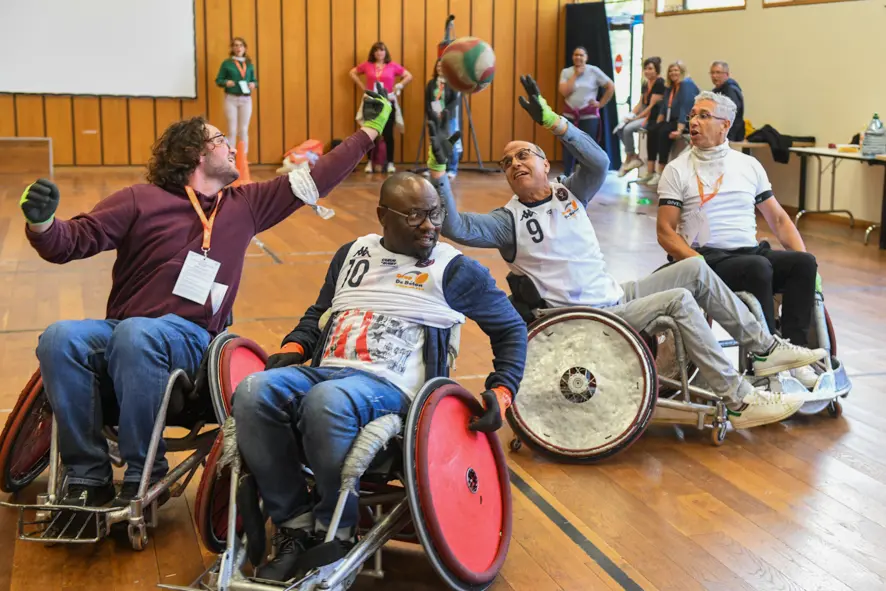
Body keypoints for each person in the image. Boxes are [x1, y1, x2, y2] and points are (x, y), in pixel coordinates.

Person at [18, 89, 393, 515]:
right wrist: (42, 221)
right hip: (126, 331)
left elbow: (318, 177)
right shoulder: (139, 200)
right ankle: (88, 476)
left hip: (193, 340)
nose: (230, 146)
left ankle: (145, 474)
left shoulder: (246, 205)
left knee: (137, 334)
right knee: (60, 337)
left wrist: (367, 132)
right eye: (219, 140)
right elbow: (71, 241)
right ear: (195, 152)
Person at [426, 74, 827, 430]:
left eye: (523, 154)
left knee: (697, 270)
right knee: (680, 300)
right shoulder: (506, 221)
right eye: (506, 162)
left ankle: (765, 351)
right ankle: (739, 398)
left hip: (616, 296)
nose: (514, 163)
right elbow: (455, 226)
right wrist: (439, 173)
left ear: (546, 163)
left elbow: (599, 161)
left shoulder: (572, 192)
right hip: (584, 316)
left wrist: (553, 121)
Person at [232, 172, 527, 582]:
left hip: (394, 390)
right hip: (328, 370)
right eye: (415, 216)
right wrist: (296, 347)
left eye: (435, 213)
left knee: (326, 403)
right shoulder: (352, 253)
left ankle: (337, 531)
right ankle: (294, 526)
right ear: (382, 216)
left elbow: (511, 329)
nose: (430, 226)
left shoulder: (456, 270)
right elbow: (319, 314)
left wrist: (503, 389)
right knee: (252, 391)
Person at [656, 92, 825, 392]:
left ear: (725, 125)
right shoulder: (677, 169)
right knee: (758, 267)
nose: (694, 121)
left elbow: (780, 221)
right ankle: (765, 359)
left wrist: (812, 272)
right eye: (692, 115)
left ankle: (794, 358)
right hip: (705, 257)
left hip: (748, 252)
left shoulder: (748, 165)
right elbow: (665, 232)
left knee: (803, 264)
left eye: (704, 116)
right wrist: (695, 262)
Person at [350, 41, 413, 174]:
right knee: (369, 133)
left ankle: (390, 162)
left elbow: (408, 75)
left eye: (382, 50)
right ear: (373, 53)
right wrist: (363, 87)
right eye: (377, 50)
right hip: (371, 102)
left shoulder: (392, 66)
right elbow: (352, 73)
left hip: (387, 101)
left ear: (386, 52)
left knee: (388, 134)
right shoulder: (367, 65)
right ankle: (369, 162)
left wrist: (399, 85)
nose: (379, 53)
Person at [558, 46, 614, 176]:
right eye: (576, 55)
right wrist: (575, 75)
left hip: (588, 116)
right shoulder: (566, 72)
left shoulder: (594, 71)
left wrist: (600, 104)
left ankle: (586, 175)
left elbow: (610, 86)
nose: (578, 57)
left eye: (581, 55)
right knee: (568, 145)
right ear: (573, 57)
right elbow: (564, 92)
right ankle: (567, 174)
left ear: (586, 57)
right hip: (570, 115)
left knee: (587, 147)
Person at [642, 61, 699, 187]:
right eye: (671, 71)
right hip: (671, 120)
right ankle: (650, 171)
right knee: (653, 130)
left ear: (682, 71)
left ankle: (660, 172)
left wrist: (679, 130)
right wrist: (658, 122)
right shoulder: (671, 86)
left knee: (663, 132)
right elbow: (664, 106)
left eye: (676, 70)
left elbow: (686, 107)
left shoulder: (686, 84)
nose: (673, 73)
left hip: (685, 122)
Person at [615, 56, 665, 178]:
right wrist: (630, 115)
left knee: (628, 129)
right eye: (645, 69)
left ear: (656, 70)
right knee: (619, 128)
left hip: (652, 118)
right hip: (643, 116)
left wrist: (635, 119)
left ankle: (630, 158)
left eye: (650, 68)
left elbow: (651, 107)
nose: (647, 71)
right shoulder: (645, 83)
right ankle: (633, 156)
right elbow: (641, 103)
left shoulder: (659, 83)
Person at [215, 37, 257, 157]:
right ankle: (230, 157)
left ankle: (243, 158)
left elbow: (254, 80)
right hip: (231, 98)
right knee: (232, 130)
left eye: (241, 45)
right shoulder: (227, 63)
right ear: (232, 48)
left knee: (243, 130)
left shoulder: (248, 64)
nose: (238, 48)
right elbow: (219, 80)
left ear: (245, 48)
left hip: (246, 99)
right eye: (236, 45)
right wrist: (225, 82)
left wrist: (253, 84)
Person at [425, 59, 462, 178]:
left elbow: (455, 101)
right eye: (438, 66)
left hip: (448, 118)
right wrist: (432, 114)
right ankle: (433, 167)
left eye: (442, 66)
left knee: (450, 142)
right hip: (434, 117)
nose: (440, 68)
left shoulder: (452, 83)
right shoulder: (431, 83)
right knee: (434, 143)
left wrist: (445, 112)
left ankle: (452, 168)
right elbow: (427, 101)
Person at [710, 61, 745, 142]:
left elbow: (730, 114)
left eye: (718, 72)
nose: (714, 76)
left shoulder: (731, 90)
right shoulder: (716, 91)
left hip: (730, 135)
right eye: (712, 73)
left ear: (727, 74)